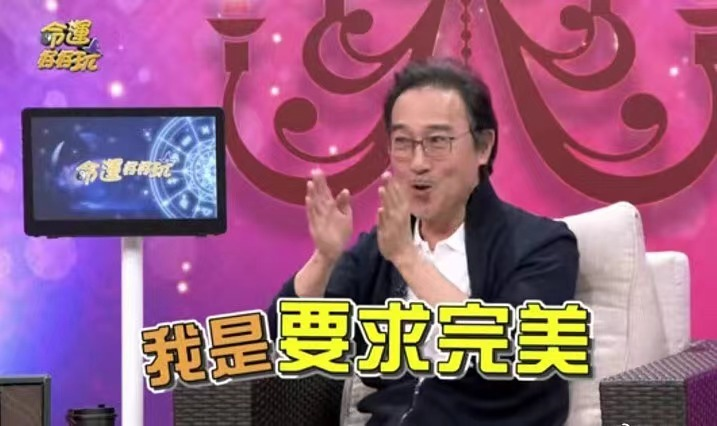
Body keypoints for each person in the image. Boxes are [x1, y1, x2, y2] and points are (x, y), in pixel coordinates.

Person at [266, 57, 580, 426]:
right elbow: (283, 336)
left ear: (483, 147)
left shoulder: (542, 245)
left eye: (436, 142)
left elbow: (512, 348)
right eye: (403, 142)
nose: (417, 162)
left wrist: (409, 260)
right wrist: (324, 258)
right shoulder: (379, 251)